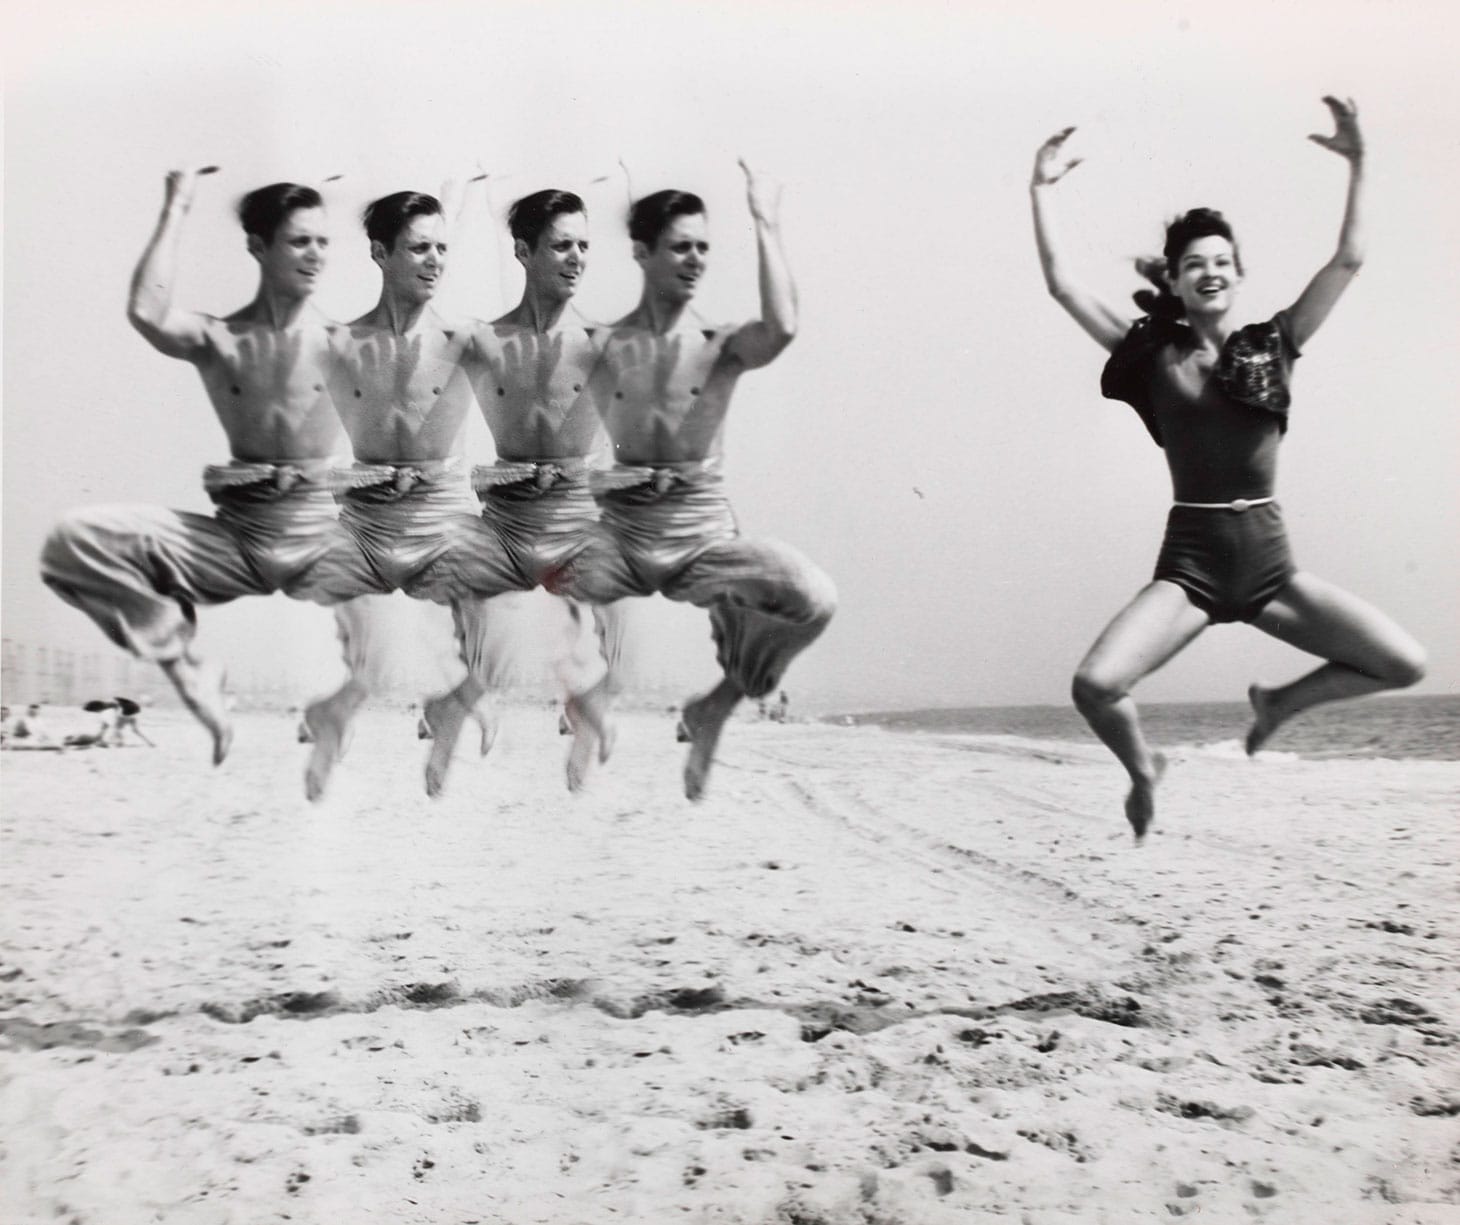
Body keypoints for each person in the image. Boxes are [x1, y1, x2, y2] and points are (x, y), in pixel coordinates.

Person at [1030, 98, 1425, 842]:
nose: (1209, 271)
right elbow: (1062, 285)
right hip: (1192, 565)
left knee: (1403, 663)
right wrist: (1041, 190)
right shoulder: (1153, 355)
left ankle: (1281, 704)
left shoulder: (1276, 343)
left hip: (1271, 565)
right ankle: (1144, 770)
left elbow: (1348, 259)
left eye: (1221, 262)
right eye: (1194, 265)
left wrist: (1360, 160)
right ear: (1176, 283)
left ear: (1239, 276)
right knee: (1095, 686)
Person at [303, 187, 612, 797]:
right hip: (364, 518)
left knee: (507, 608)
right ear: (379, 253)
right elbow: (306, 450)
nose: (435, 261)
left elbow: (535, 410)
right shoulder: (339, 344)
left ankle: (476, 703)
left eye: (443, 249)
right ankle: (349, 712)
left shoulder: (464, 342)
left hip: (449, 514)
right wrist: (349, 477)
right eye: (420, 248)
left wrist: (528, 476)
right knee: (370, 632)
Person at [40, 170, 351, 765]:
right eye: (299, 241)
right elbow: (147, 310)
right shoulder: (219, 337)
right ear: (258, 246)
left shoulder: (345, 343)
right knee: (70, 543)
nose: (316, 255)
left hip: (325, 537)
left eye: (323, 241)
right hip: (239, 537)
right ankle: (184, 664)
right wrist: (177, 205)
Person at [579, 161, 837, 799]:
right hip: (621, 534)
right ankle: (583, 703)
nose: (695, 259)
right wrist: (601, 482)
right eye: (680, 247)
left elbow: (783, 329)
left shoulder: (720, 344)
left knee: (811, 598)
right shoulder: (600, 344)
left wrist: (765, 220)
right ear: (642, 253)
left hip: (702, 537)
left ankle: (714, 707)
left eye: (702, 247)